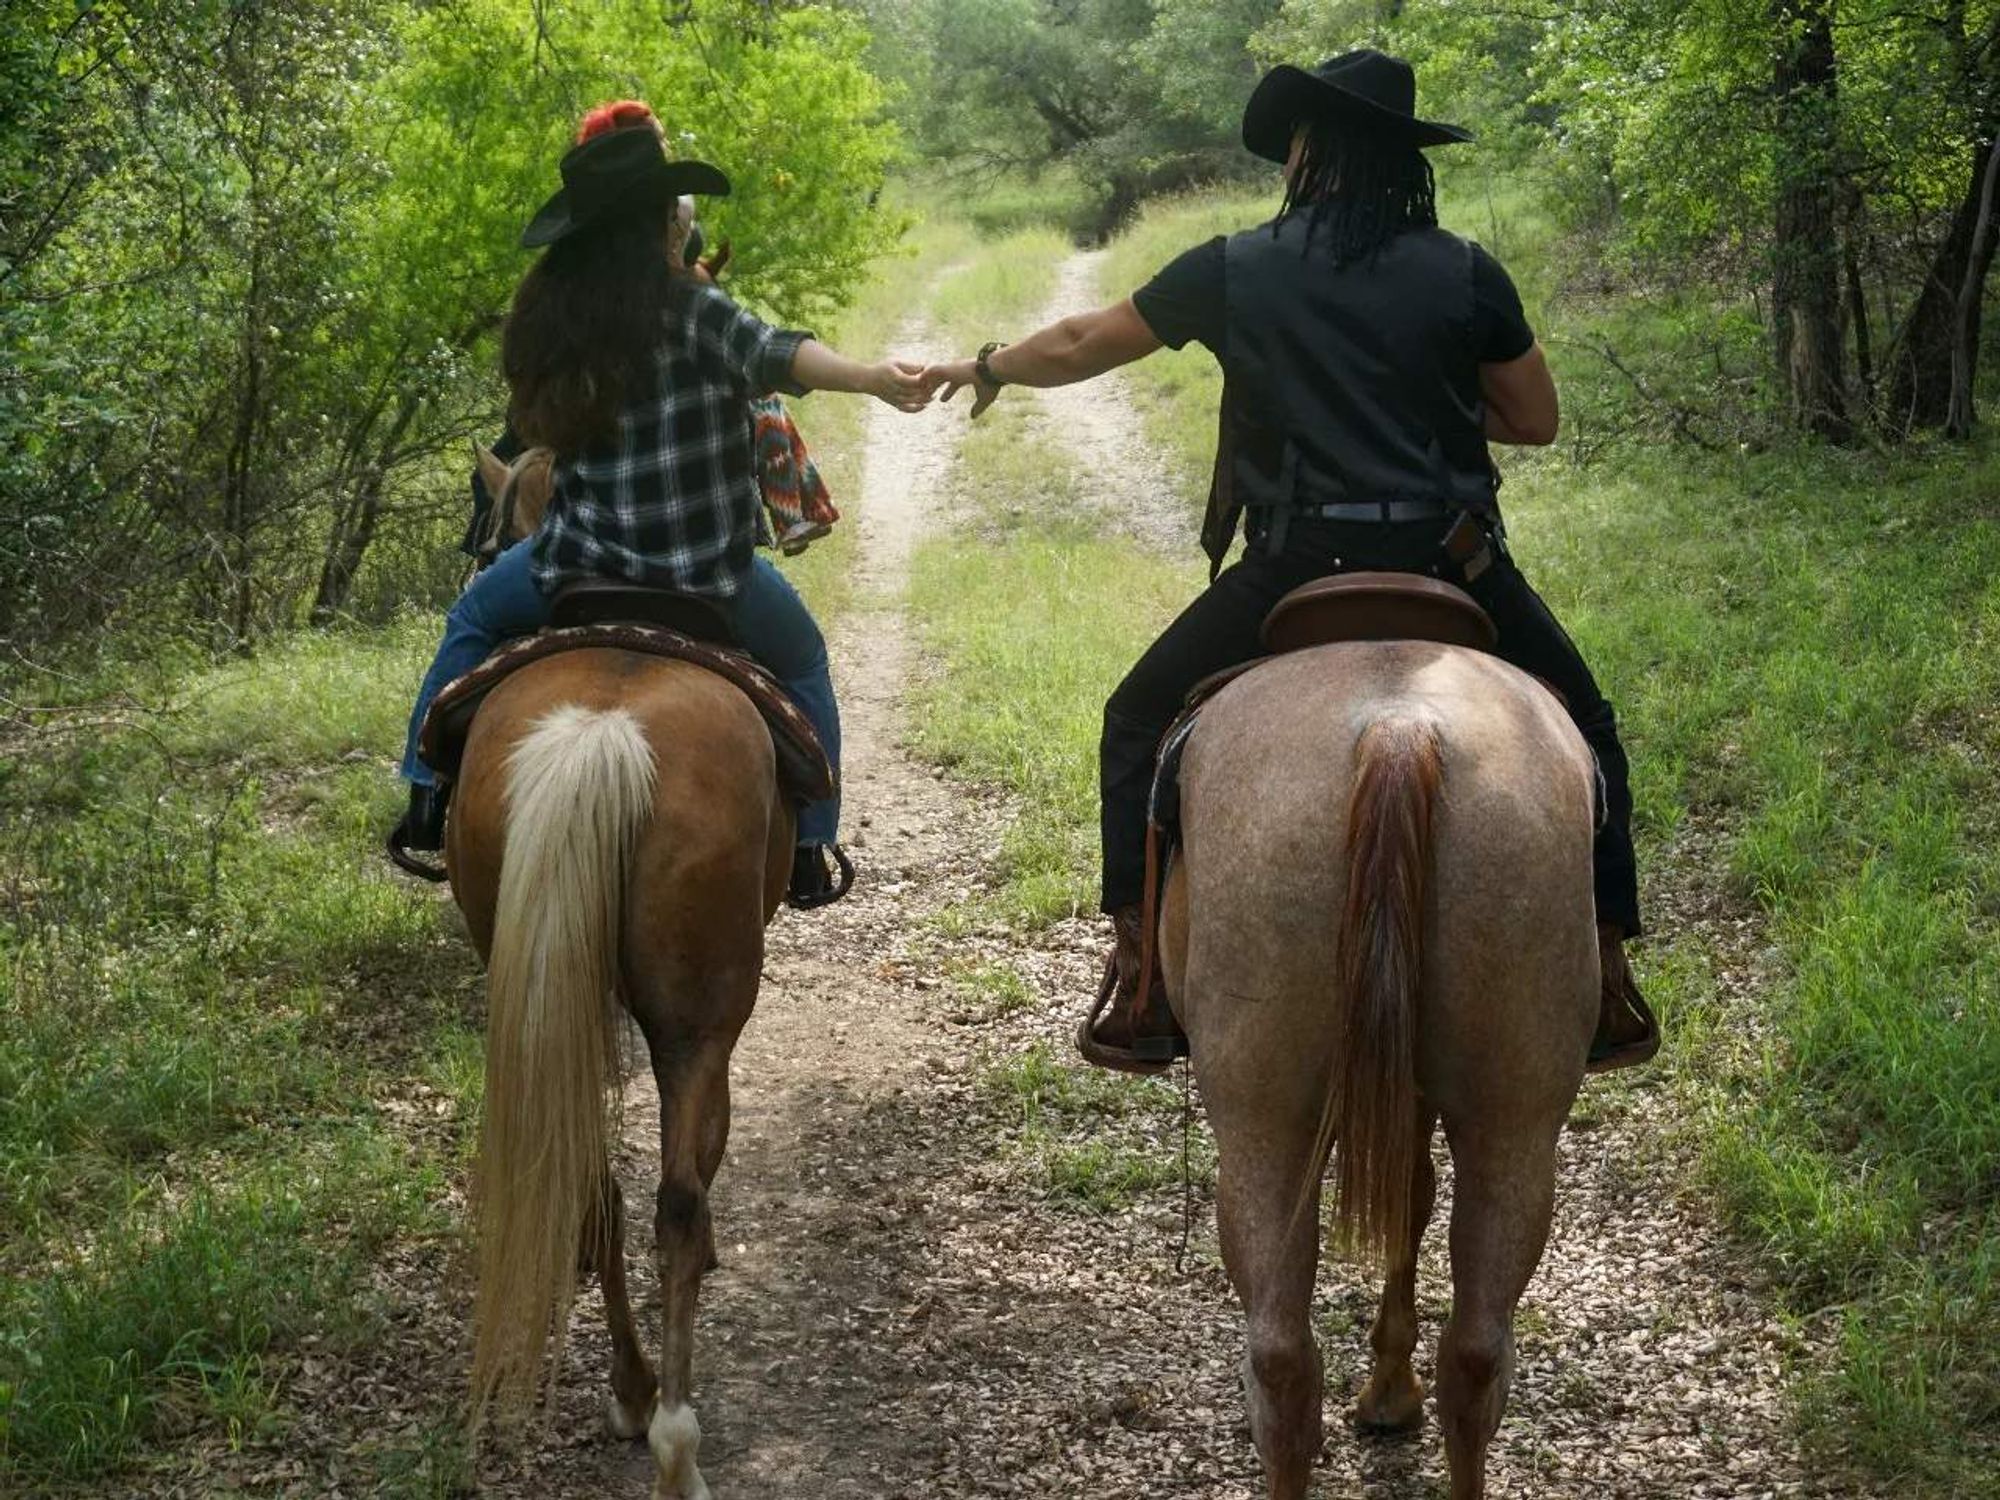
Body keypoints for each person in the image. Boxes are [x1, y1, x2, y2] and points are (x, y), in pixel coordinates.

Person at [923, 50, 1657, 1074]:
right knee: (1587, 725)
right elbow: (1533, 419)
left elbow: (1086, 339)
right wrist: (1431, 400)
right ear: (1404, 160)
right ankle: (1607, 969)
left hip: (1297, 562)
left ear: (1309, 150)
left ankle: (1140, 974)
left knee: (1135, 718)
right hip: (1451, 563)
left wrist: (988, 365)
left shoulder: (1233, 267)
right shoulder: (1465, 270)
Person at [388, 101, 929, 905]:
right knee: (805, 660)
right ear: (658, 221)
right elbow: (780, 354)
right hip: (705, 578)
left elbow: (533, 430)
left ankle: (424, 798)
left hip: (573, 567)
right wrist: (872, 378)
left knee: (471, 619)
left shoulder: (550, 316)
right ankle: (812, 847)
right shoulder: (693, 308)